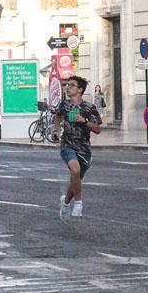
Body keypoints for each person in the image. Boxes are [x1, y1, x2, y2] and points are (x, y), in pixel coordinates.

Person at [53, 76, 102, 219]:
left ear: (80, 90)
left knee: (76, 179)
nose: (68, 87)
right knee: (75, 169)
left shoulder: (89, 107)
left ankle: (66, 202)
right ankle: (79, 203)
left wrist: (84, 120)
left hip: (84, 149)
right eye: (67, 85)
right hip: (68, 145)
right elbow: (57, 116)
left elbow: (98, 129)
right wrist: (56, 130)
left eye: (72, 85)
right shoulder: (64, 105)